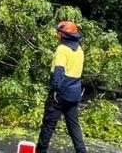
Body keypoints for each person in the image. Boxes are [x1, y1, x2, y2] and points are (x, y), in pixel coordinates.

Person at [37, 21, 87, 153]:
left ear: (64, 35)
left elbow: (59, 72)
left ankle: (41, 151)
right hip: (74, 94)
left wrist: (55, 91)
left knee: (48, 124)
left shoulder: (62, 49)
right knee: (73, 125)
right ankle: (81, 151)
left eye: (59, 32)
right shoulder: (80, 50)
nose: (57, 34)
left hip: (60, 94)